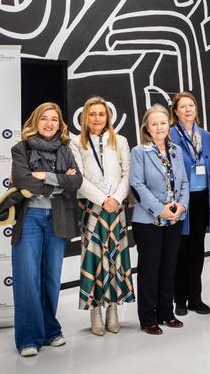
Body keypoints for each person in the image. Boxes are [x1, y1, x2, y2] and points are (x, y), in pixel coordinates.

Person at [9, 102, 82, 357]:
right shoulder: (21, 149)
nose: (49, 123)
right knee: (28, 277)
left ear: (60, 124)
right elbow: (22, 180)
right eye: (44, 119)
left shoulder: (65, 148)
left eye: (54, 119)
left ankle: (50, 330)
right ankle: (29, 337)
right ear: (35, 121)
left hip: (58, 218)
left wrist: (44, 176)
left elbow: (76, 181)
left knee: (51, 277)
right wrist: (59, 181)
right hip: (30, 216)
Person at [70, 96, 134, 336]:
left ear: (108, 117)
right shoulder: (76, 142)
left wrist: (116, 199)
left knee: (115, 258)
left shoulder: (121, 141)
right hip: (92, 208)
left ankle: (113, 309)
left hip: (116, 209)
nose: (97, 118)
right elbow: (77, 177)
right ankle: (94, 310)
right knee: (94, 258)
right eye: (93, 114)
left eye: (101, 114)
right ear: (85, 117)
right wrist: (102, 199)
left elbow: (127, 174)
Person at [129, 104, 190, 335]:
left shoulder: (175, 150)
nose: (159, 127)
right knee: (149, 269)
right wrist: (159, 210)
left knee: (168, 267)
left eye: (163, 123)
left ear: (169, 124)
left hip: (175, 219)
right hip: (148, 221)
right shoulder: (139, 152)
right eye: (154, 123)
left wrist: (181, 206)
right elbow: (137, 185)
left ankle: (166, 312)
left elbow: (183, 182)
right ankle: (147, 317)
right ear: (147, 126)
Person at [170, 92, 210, 316]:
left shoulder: (206, 136)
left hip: (202, 198)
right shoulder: (170, 134)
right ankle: (180, 298)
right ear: (176, 111)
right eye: (183, 106)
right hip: (181, 200)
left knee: (198, 250)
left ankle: (196, 298)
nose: (188, 110)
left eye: (191, 105)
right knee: (180, 250)